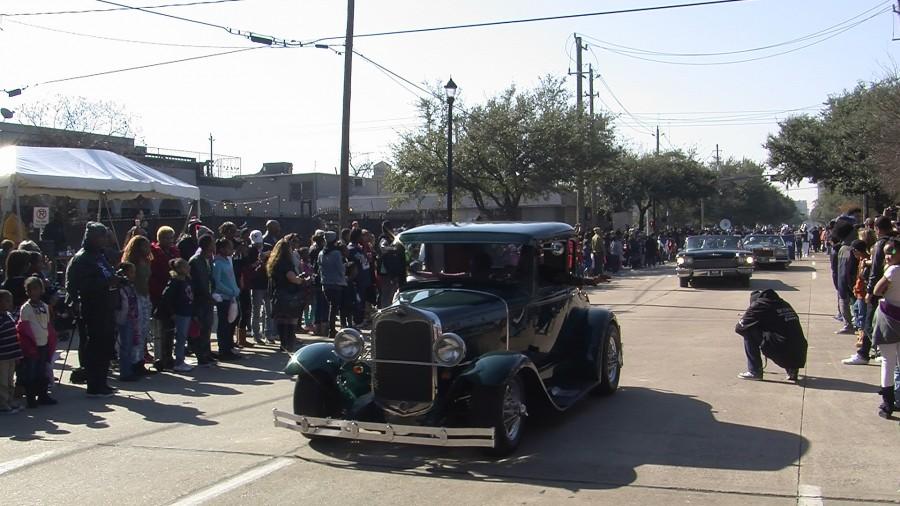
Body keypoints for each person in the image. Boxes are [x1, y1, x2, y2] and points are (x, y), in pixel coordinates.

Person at [65, 222, 118, 398]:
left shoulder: (99, 256)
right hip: (92, 308)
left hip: (106, 306)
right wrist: (106, 283)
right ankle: (94, 385)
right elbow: (81, 286)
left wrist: (117, 279)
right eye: (102, 237)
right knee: (95, 346)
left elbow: (107, 274)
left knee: (106, 345)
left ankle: (102, 381)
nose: (105, 240)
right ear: (93, 238)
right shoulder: (82, 258)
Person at [845, 216, 896, 365]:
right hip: (892, 287)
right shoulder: (894, 243)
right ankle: (865, 353)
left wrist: (870, 290)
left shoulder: (881, 245)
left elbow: (876, 268)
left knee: (869, 323)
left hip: (880, 287)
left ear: (877, 229)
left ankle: (875, 351)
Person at [734, 289, 807, 381]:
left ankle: (754, 371)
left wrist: (750, 318)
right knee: (786, 335)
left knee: (748, 331)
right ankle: (792, 370)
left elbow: (739, 327)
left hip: (781, 351)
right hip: (800, 353)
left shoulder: (759, 305)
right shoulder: (783, 303)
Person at [16, 276, 58, 407]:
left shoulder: (45, 306)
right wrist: (28, 343)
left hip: (43, 343)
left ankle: (43, 395)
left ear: (41, 290)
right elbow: (23, 327)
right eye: (31, 290)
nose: (34, 292)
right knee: (31, 372)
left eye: (37, 289)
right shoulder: (26, 308)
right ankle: (31, 398)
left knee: (42, 371)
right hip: (31, 345)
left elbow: (47, 324)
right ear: (27, 291)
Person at [870, 238, 900, 419]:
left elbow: (877, 290)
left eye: (893, 252)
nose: (888, 256)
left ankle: (887, 403)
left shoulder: (893, 270)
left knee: (888, 362)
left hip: (889, 318)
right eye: (886, 252)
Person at [268, 238, 308, 352]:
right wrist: (300, 280)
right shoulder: (287, 263)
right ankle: (289, 344)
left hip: (278, 293)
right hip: (289, 293)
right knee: (291, 320)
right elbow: (291, 277)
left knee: (281, 319)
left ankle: (283, 344)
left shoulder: (274, 263)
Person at [121, 235, 153, 374]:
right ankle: (134, 363)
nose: (148, 248)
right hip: (135, 297)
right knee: (137, 331)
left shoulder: (146, 261)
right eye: (145, 246)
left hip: (145, 296)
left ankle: (140, 361)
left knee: (144, 330)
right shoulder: (132, 263)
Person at [149, 226, 179, 371]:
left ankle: (168, 356)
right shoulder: (154, 253)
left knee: (170, 328)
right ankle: (159, 357)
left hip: (172, 292)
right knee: (160, 328)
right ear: (160, 238)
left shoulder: (174, 252)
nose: (169, 241)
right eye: (166, 238)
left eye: (171, 238)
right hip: (158, 293)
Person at [161, 258, 195, 373]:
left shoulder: (186, 280)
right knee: (180, 337)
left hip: (187, 311)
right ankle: (178, 362)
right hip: (180, 312)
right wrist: (172, 313)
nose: (189, 268)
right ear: (180, 269)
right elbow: (166, 297)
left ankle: (181, 359)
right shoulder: (175, 282)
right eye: (186, 266)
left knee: (183, 337)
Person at [212, 238, 241, 360]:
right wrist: (230, 291)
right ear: (222, 249)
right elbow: (217, 283)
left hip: (233, 297)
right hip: (224, 298)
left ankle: (229, 347)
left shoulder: (228, 261)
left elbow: (231, 278)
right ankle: (223, 349)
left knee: (232, 323)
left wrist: (236, 289)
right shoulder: (217, 263)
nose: (231, 249)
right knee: (224, 324)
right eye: (229, 247)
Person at [189, 235, 216, 366]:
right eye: (212, 243)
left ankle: (206, 352)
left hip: (208, 299)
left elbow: (210, 278)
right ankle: (200, 354)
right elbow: (197, 283)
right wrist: (207, 295)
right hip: (200, 300)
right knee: (200, 327)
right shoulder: (195, 261)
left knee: (208, 326)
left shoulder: (208, 259)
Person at [114, 262, 140, 382]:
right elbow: (121, 304)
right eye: (131, 272)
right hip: (124, 318)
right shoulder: (120, 287)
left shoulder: (130, 286)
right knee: (125, 346)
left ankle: (129, 369)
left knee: (129, 345)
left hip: (132, 317)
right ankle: (125, 372)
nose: (134, 275)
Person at [247, 230, 273, 345]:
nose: (257, 245)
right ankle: (256, 335)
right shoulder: (250, 250)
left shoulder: (268, 247)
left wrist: (268, 256)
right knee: (256, 310)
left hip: (268, 282)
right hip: (256, 284)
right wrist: (260, 259)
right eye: (255, 243)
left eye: (259, 242)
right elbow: (250, 267)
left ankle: (268, 334)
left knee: (269, 311)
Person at [319, 231, 347, 338]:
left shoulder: (321, 253)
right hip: (337, 282)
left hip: (325, 283)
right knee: (334, 307)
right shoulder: (336, 253)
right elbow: (340, 269)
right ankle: (331, 329)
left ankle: (328, 327)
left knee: (330, 306)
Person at [0, 290, 23, 413]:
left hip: (12, 354)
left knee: (10, 380)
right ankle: (2, 403)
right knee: (2, 381)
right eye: (6, 300)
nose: (9, 303)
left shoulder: (9, 316)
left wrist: (17, 354)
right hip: (2, 356)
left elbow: (15, 337)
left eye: (10, 300)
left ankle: (9, 399)